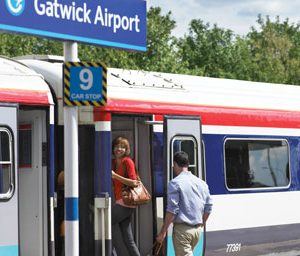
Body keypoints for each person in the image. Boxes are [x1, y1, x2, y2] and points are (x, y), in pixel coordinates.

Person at [156, 151, 213, 256]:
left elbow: (172, 210)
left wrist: (163, 232)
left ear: (174, 164)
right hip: (197, 231)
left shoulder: (175, 183)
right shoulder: (201, 183)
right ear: (188, 164)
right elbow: (209, 207)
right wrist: (201, 224)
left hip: (183, 232)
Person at [111, 136, 140, 256]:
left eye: (122, 147)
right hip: (120, 202)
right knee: (128, 239)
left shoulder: (128, 161)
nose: (119, 149)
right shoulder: (113, 163)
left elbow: (134, 182)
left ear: (126, 149)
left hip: (126, 203)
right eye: (117, 146)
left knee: (104, 225)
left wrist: (115, 176)